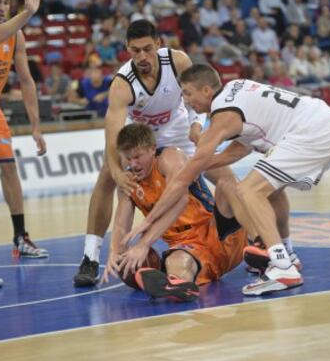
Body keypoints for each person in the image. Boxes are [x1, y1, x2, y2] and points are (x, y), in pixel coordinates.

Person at [124, 64, 330, 296]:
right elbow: (237, 151)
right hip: (328, 121)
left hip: (312, 131)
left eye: (188, 93)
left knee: (249, 190)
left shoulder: (223, 115)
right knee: (271, 190)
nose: (186, 100)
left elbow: (184, 178)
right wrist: (198, 164)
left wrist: (147, 222)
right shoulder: (237, 90)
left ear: (207, 91)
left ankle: (281, 265)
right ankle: (287, 253)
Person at [73, 19, 227, 287]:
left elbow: (194, 98)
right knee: (107, 177)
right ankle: (90, 256)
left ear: (158, 44)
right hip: (142, 134)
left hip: (179, 127)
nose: (142, 56)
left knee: (225, 178)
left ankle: (262, 244)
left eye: (147, 49)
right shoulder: (122, 84)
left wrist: (196, 125)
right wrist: (118, 171)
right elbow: (112, 137)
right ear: (127, 49)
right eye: (135, 51)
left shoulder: (177, 61)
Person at [102, 123, 247, 301]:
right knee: (170, 263)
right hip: (188, 248)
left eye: (138, 156)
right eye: (128, 158)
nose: (133, 164)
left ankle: (262, 245)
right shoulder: (128, 182)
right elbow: (120, 224)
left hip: (217, 231)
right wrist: (115, 252)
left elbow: (181, 200)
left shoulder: (169, 158)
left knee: (227, 184)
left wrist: (144, 244)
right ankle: (177, 284)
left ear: (152, 149)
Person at [0, 0, 48, 288]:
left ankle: (20, 238)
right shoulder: (3, 31)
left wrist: (36, 126)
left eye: (4, 2)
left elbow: (26, 81)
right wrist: (28, 11)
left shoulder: (17, 37)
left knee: (10, 169)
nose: (0, 7)